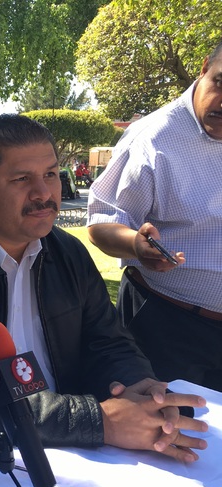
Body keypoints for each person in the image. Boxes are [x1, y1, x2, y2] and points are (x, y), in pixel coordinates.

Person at [0, 114, 208, 472]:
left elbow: (108, 342)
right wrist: (100, 421)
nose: (44, 193)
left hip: (63, 450)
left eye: (50, 175)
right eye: (21, 179)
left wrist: (142, 392)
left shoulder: (67, 254)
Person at [87, 41, 222, 391]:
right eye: (221, 83)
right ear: (205, 66)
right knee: (165, 438)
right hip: (167, 324)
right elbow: (101, 221)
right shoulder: (154, 137)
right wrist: (134, 243)